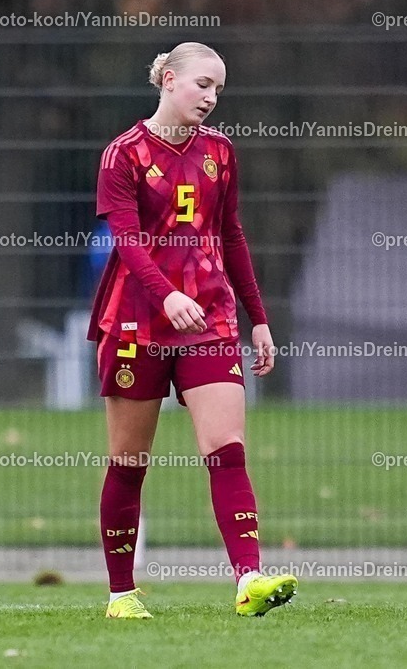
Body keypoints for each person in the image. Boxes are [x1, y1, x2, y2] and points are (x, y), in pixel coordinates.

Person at [88, 42, 297, 619]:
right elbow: (127, 240)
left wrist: (258, 319)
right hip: (135, 323)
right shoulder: (123, 154)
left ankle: (249, 580)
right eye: (203, 84)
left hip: (209, 318)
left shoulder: (220, 152)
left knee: (227, 449)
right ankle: (121, 594)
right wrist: (166, 294)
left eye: (219, 90)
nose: (211, 98)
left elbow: (231, 235)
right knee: (129, 462)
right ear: (169, 80)